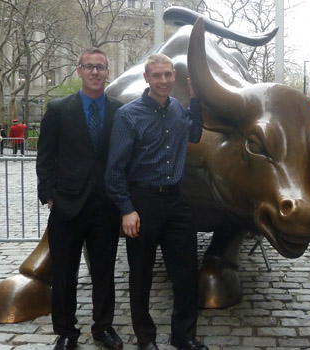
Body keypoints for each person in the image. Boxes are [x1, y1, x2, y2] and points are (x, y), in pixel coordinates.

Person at [105, 53, 208, 350]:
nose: (163, 80)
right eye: (157, 75)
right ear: (146, 78)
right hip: (142, 201)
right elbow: (114, 171)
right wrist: (127, 209)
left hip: (175, 200)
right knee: (141, 275)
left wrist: (195, 100)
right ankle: (145, 338)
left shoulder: (177, 109)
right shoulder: (128, 115)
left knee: (186, 272)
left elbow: (196, 133)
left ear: (174, 76)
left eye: (167, 74)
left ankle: (184, 335)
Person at [36, 48, 124, 350]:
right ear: (79, 71)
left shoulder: (119, 110)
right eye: (89, 66)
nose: (95, 72)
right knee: (64, 273)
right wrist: (48, 195)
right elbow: (45, 156)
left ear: (108, 72)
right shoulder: (59, 109)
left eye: (101, 67)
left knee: (104, 273)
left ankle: (104, 328)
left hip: (105, 207)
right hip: (67, 205)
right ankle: (66, 332)